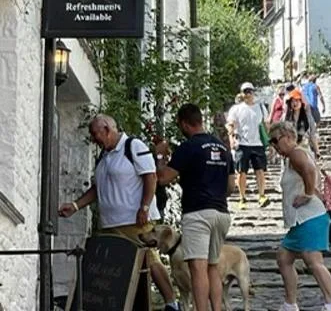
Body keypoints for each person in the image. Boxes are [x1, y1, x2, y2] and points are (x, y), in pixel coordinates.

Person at [58, 114, 180, 311]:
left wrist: (145, 207)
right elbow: (98, 189)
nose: (93, 139)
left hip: (134, 219)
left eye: (95, 133)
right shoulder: (104, 155)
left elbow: (150, 177)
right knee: (112, 266)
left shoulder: (134, 147)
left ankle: (171, 302)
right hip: (109, 222)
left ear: (107, 129)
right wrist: (75, 205)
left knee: (149, 257)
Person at [155, 103, 235, 311]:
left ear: (183, 123)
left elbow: (163, 178)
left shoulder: (188, 147)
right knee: (212, 266)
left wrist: (161, 156)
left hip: (198, 213)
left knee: (197, 268)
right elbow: (231, 186)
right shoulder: (222, 147)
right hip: (221, 213)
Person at [268, 121, 331, 311]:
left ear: (288, 136)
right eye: (271, 142)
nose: (274, 145)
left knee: (314, 262)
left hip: (310, 217)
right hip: (301, 220)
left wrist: (307, 195)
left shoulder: (296, 153)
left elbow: (309, 170)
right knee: (284, 257)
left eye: (276, 140)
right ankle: (290, 303)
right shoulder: (292, 156)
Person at [226, 81, 270, 210]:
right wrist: (231, 138)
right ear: (241, 93)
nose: (248, 93)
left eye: (250, 91)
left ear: (253, 92)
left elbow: (266, 125)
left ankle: (262, 195)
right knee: (241, 172)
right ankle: (242, 197)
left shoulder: (260, 108)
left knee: (260, 170)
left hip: (257, 143)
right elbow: (231, 124)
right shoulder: (236, 109)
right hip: (242, 143)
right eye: (245, 91)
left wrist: (270, 141)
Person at [284, 89, 320, 159]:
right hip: (291, 151)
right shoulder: (286, 119)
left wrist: (317, 150)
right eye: (292, 101)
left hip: (305, 148)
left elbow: (312, 135)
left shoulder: (308, 117)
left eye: (297, 100)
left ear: (301, 102)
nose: (295, 103)